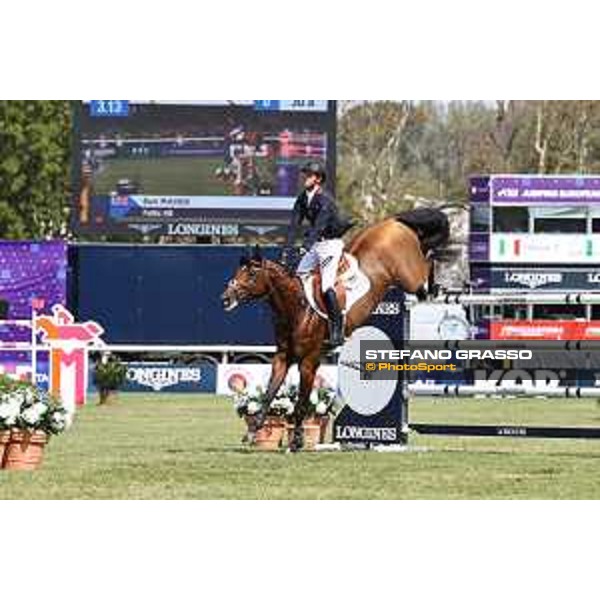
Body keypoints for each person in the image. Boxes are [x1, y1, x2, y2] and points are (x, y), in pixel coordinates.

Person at [283, 161, 353, 348]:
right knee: (297, 276)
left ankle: (337, 328)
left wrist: (304, 248)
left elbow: (317, 228)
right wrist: (287, 249)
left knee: (326, 285)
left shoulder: (325, 201)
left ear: (318, 179)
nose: (304, 178)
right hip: (316, 245)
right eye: (304, 174)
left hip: (330, 245)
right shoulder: (302, 199)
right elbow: (293, 226)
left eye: (308, 175)